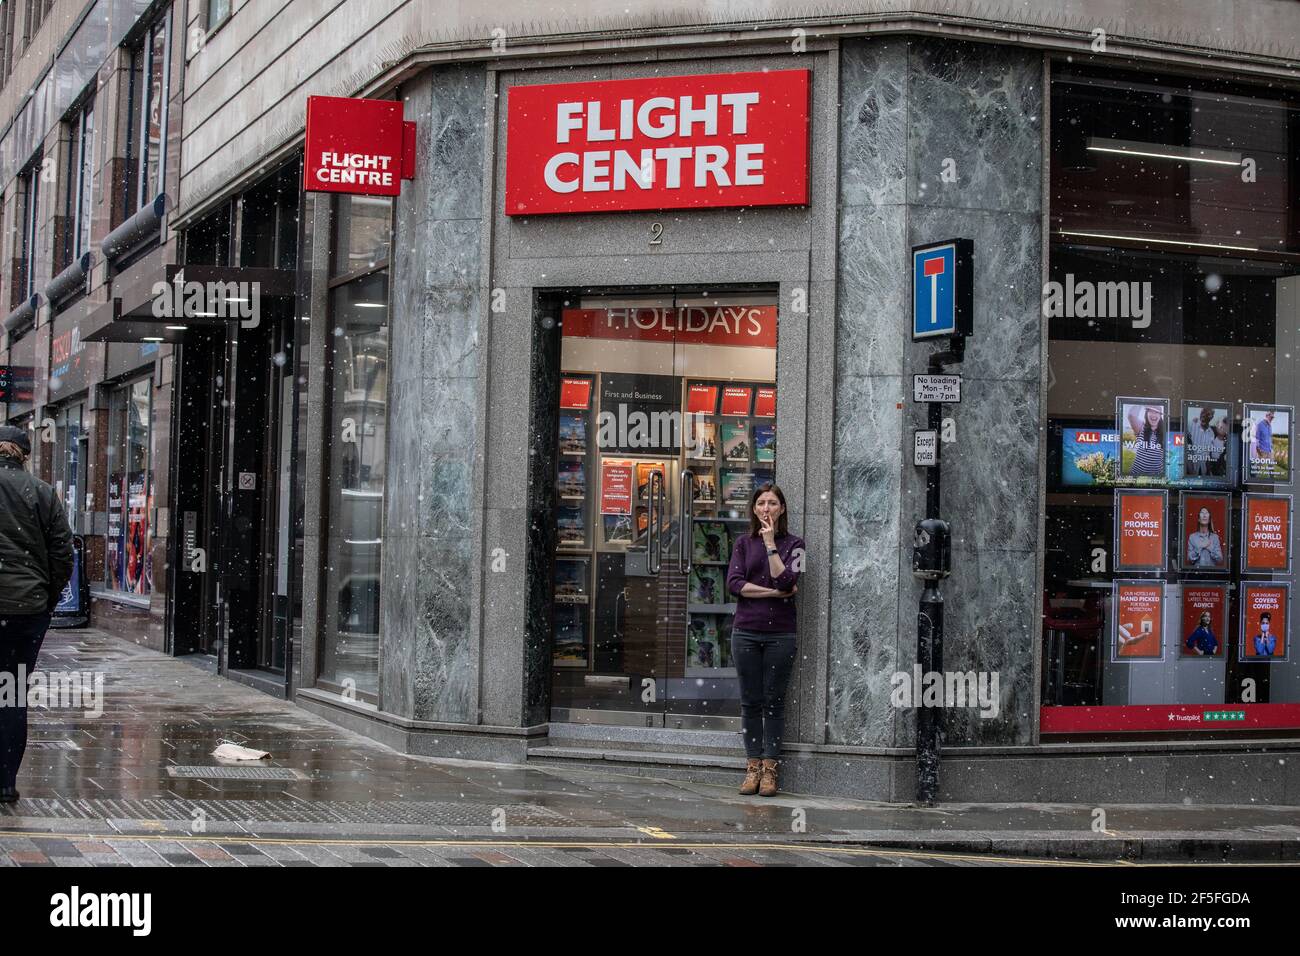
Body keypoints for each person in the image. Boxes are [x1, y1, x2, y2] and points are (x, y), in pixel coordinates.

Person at [0, 425, 74, 803]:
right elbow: (63, 552)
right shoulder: (42, 492)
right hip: (25, 610)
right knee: (11, 692)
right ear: (25, 454)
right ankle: (5, 782)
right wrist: (46, 598)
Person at [726, 483, 804, 797]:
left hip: (780, 634)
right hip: (745, 630)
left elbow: (788, 579)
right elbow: (734, 584)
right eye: (761, 503)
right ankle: (752, 767)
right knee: (750, 701)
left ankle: (770, 769)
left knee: (773, 702)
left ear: (782, 509)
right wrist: (774, 593)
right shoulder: (743, 543)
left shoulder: (796, 544)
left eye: (772, 503)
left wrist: (771, 545)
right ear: (754, 509)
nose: (766, 508)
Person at [1126, 405, 1165, 479]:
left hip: (1155, 478)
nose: (1153, 414)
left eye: (1156, 412)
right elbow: (1131, 415)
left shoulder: (1165, 433)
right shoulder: (1141, 428)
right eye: (1150, 411)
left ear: (1160, 416)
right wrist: (1142, 401)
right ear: (1146, 414)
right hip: (1136, 475)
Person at [1185, 407, 1216, 477]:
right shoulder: (1190, 425)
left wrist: (1209, 471)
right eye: (1202, 413)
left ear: (1212, 417)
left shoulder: (1211, 433)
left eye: (1208, 414)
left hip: (1203, 472)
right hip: (1188, 470)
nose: (1204, 416)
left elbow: (1209, 454)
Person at [1252, 410, 1276, 477]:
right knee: (1257, 468)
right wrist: (1258, 450)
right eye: (1271, 417)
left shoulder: (1270, 426)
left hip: (1270, 451)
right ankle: (1254, 479)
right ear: (1266, 416)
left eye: (1273, 418)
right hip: (1262, 451)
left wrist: (1272, 447)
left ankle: (1272, 479)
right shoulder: (1260, 425)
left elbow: (1269, 437)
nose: (1272, 419)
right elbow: (1256, 438)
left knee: (1271, 468)